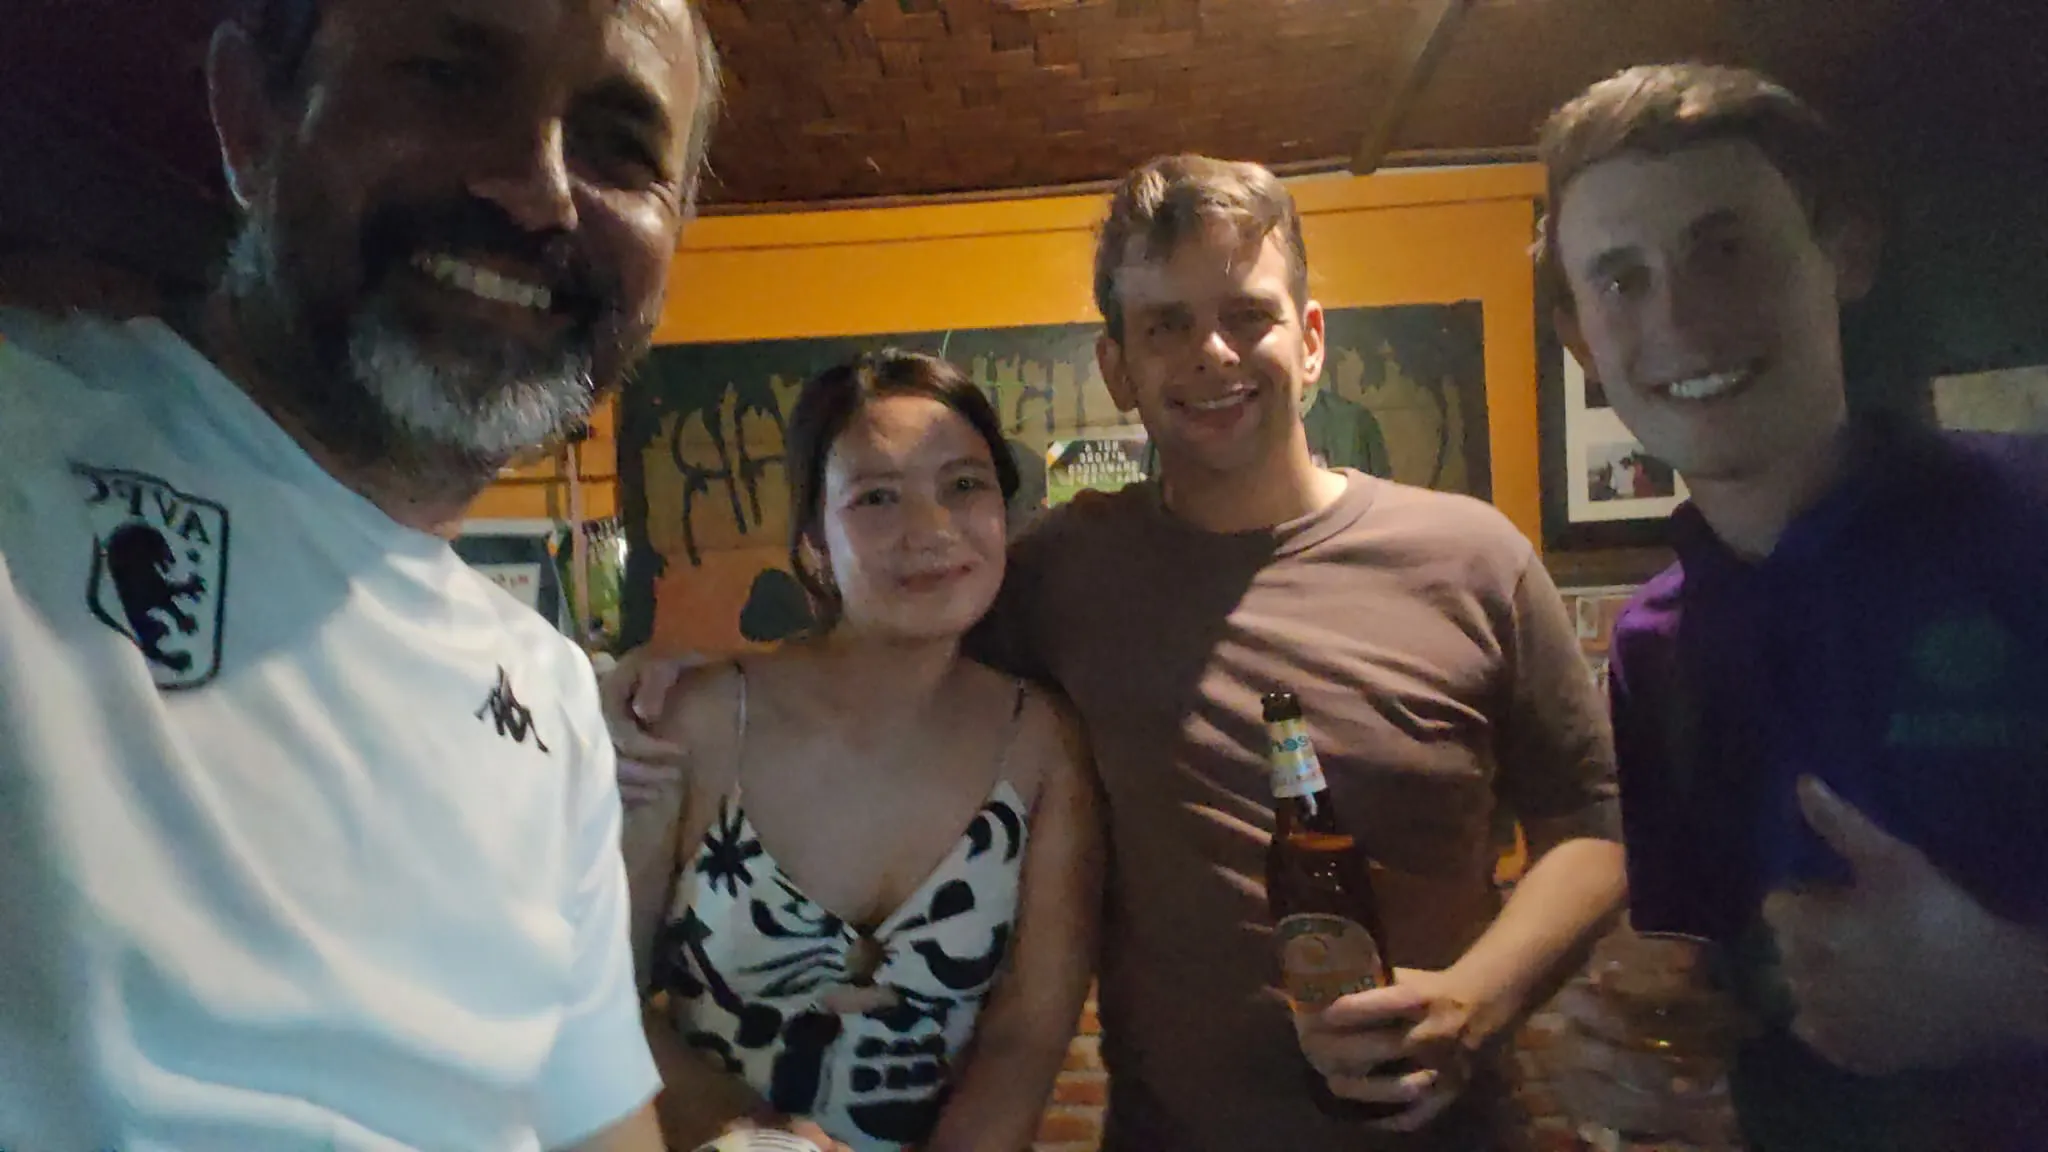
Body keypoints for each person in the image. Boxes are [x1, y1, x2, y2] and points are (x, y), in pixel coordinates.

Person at [610, 155, 1626, 1150]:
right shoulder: (1058, 571)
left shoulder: (1470, 554)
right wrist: (660, 673)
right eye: (1165, 325)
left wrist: (1477, 1001)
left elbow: (1591, 818)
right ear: (1117, 365)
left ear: (1309, 341)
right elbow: (879, 626)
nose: (1211, 355)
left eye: (1247, 315)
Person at [0, 0, 722, 1149]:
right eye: (447, 74)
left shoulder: (548, 694)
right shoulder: (25, 459)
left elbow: (597, 1125)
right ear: (251, 116)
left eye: (619, 148)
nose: (535, 185)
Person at [1540, 63, 2048, 1150]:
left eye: (1722, 247)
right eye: (1620, 279)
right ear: (1582, 342)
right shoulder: (1652, 650)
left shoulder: (2030, 521)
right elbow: (1707, 997)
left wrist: (2009, 988)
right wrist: (1626, 1057)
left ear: (1842, 252)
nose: (1680, 316)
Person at [621, 350, 1101, 1152]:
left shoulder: (1042, 743)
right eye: (877, 496)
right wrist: (756, 1136)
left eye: (964, 485)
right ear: (813, 540)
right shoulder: (701, 724)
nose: (931, 529)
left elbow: (1025, 1037)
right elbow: (601, 1000)